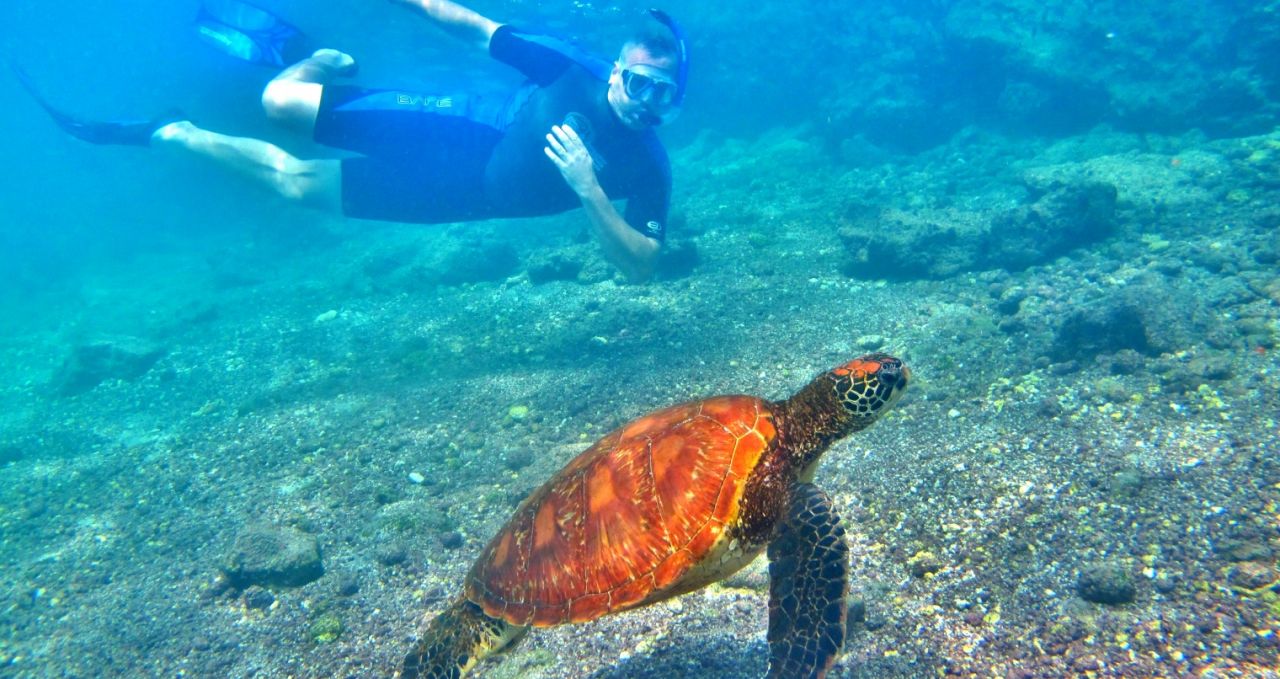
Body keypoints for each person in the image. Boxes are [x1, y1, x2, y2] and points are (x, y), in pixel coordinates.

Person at [17, 0, 688, 282]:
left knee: (294, 185)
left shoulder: (647, 167)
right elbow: (465, 25)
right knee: (279, 103)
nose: (647, 104)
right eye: (639, 84)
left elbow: (640, 267)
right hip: (450, 123)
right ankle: (319, 57)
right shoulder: (567, 65)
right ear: (618, 70)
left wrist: (591, 192)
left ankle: (173, 131)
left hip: (457, 197)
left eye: (665, 94)